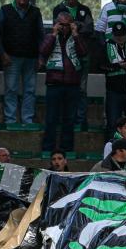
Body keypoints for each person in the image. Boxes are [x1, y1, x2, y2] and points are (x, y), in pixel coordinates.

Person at [39, 11, 86, 153]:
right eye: (61, 25)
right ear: (56, 24)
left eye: (67, 25)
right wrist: (53, 34)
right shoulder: (50, 37)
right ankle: (48, 148)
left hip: (72, 84)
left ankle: (67, 149)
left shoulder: (76, 38)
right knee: (51, 118)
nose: (64, 28)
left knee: (69, 120)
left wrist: (76, 34)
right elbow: (43, 51)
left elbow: (84, 52)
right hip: (54, 83)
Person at [0, 0, 42, 125]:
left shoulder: (36, 12)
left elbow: (41, 35)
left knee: (30, 90)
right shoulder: (5, 10)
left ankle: (27, 121)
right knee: (11, 89)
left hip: (31, 58)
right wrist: (2, 54)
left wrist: (41, 57)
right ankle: (10, 120)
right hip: (11, 58)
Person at [51, 0, 94, 131]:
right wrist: (74, 25)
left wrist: (73, 25)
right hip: (65, 56)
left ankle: (80, 120)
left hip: (82, 55)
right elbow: (59, 29)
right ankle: (65, 120)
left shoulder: (85, 9)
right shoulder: (58, 9)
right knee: (64, 89)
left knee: (81, 89)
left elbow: (89, 29)